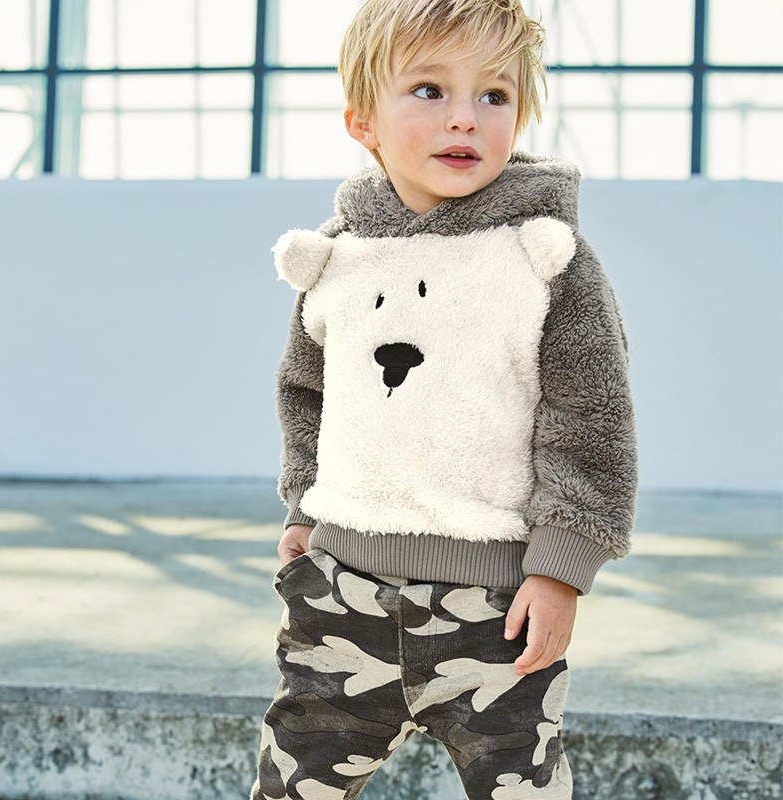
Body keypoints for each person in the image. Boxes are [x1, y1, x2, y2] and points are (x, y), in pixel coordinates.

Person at [250, 0, 638, 798]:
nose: (465, 117)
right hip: (340, 593)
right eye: (429, 89)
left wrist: (563, 569)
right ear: (362, 120)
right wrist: (303, 508)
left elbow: (591, 416)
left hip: (497, 610)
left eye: (494, 95)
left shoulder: (543, 256)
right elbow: (307, 396)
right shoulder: (338, 257)